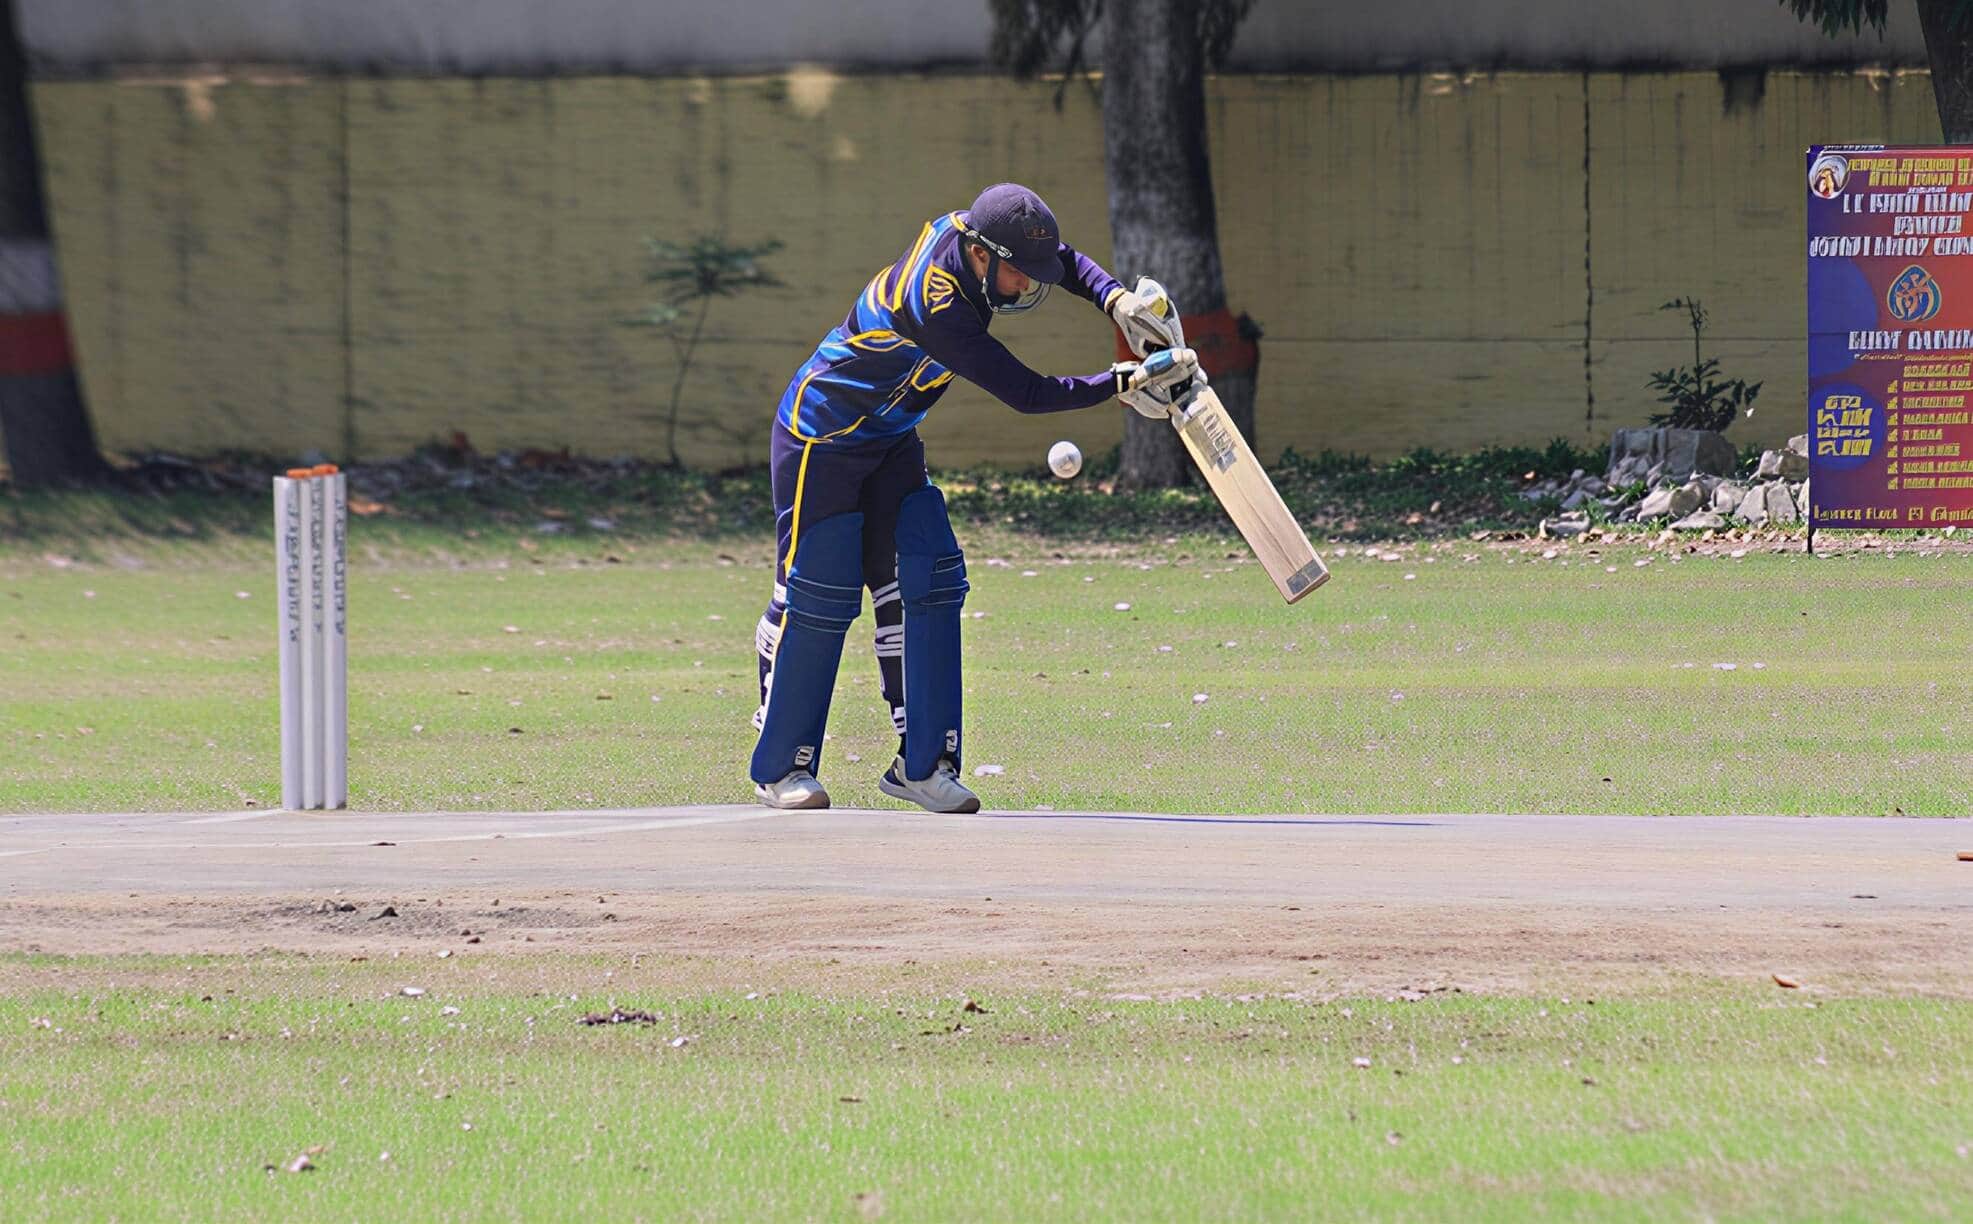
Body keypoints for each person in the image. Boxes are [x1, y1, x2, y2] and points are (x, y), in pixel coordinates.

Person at [749, 183, 1198, 813]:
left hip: (890, 432)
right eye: (1016, 273)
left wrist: (1115, 299)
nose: (1025, 286)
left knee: (925, 577)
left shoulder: (985, 231)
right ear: (981, 256)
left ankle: (922, 765)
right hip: (821, 433)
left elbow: (1061, 259)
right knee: (819, 586)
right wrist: (1121, 381)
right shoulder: (936, 307)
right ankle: (782, 765)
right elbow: (1029, 394)